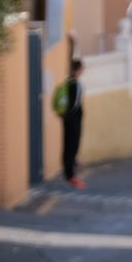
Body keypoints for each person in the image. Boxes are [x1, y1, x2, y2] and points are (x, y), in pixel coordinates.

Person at [56, 58, 86, 189]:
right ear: (78, 70)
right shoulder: (75, 84)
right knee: (72, 144)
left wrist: (64, 115)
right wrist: (72, 115)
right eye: (81, 69)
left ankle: (68, 170)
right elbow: (74, 104)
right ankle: (70, 175)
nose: (82, 71)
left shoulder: (68, 81)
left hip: (67, 118)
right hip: (73, 119)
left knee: (68, 144)